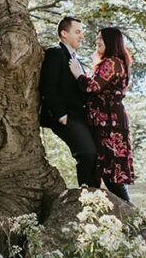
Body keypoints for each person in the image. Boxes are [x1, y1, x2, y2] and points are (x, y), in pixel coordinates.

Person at [69, 26, 135, 203]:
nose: (97, 41)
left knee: (113, 175)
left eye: (100, 38)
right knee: (109, 172)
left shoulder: (112, 62)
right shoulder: (115, 62)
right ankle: (129, 216)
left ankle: (133, 217)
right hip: (107, 121)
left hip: (110, 123)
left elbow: (92, 87)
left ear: (110, 41)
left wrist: (78, 74)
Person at [38, 16, 100, 188]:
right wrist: (60, 114)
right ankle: (87, 196)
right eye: (77, 32)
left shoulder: (77, 60)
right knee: (86, 153)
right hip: (65, 116)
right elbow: (48, 86)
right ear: (64, 34)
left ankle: (97, 198)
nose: (81, 36)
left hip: (80, 116)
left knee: (95, 155)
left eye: (82, 32)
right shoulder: (55, 54)